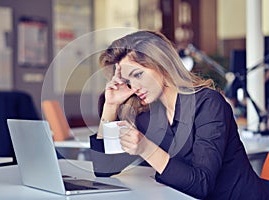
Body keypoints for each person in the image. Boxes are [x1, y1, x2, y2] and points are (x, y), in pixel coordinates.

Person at [89, 31, 269, 199]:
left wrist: (146, 148)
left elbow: (201, 185)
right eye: (128, 81)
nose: (134, 86)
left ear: (162, 64)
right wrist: (110, 105)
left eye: (138, 74)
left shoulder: (208, 104)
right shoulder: (147, 114)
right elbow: (104, 167)